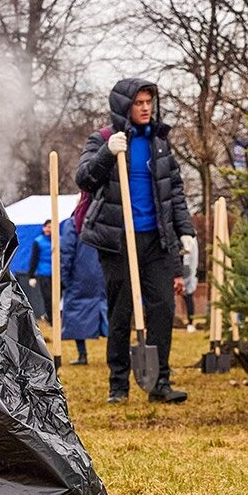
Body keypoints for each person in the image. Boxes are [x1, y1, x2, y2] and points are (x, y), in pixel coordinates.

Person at [75, 79, 197, 405]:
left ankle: (159, 382)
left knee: (163, 307)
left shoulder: (159, 143)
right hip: (118, 238)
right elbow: (84, 177)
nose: (145, 108)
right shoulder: (103, 138)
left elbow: (174, 191)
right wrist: (107, 152)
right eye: (138, 103)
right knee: (121, 311)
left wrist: (185, 230)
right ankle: (118, 384)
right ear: (124, 106)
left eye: (148, 102)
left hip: (156, 239)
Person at [59, 215, 106, 365]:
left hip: (78, 277)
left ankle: (82, 354)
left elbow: (66, 252)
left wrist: (64, 278)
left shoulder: (73, 223)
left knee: (76, 314)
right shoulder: (103, 219)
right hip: (102, 274)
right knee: (108, 312)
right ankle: (118, 353)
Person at [27, 219, 54, 321]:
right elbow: (34, 259)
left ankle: (55, 317)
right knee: (48, 297)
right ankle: (51, 319)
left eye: (51, 227)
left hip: (57, 274)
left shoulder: (59, 240)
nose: (49, 229)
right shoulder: (38, 241)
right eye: (48, 227)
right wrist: (31, 276)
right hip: (44, 273)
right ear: (44, 228)